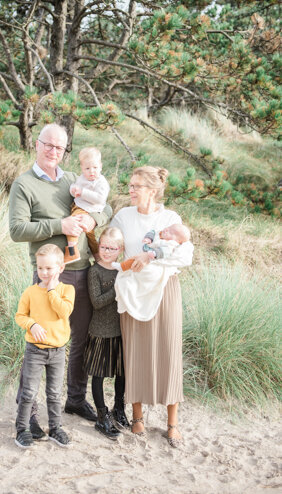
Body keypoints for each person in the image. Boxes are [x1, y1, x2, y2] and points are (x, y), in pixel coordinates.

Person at [9, 123, 112, 437]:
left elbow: (106, 207)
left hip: (82, 271)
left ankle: (76, 399)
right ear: (37, 145)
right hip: (48, 277)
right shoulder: (23, 184)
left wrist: (94, 219)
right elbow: (17, 230)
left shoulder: (72, 180)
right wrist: (60, 223)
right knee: (41, 344)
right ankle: (30, 414)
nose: (54, 152)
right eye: (48, 145)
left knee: (79, 339)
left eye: (60, 147)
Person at [109, 166, 193, 447]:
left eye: (136, 186)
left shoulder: (170, 218)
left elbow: (184, 255)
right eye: (130, 185)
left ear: (152, 190)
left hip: (165, 290)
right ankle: (137, 417)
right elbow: (111, 246)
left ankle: (172, 423)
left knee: (169, 352)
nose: (130, 190)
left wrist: (149, 257)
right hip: (133, 291)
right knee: (135, 352)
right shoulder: (123, 216)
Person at [14, 244, 75, 448]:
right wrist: (32, 324)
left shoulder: (67, 290)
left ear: (60, 268)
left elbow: (63, 312)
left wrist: (51, 291)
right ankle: (22, 429)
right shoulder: (31, 292)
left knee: (55, 392)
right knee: (29, 392)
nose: (44, 272)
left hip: (57, 351)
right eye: (40, 268)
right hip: (35, 350)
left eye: (49, 268)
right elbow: (20, 316)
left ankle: (55, 428)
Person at [83, 227, 129, 440]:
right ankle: (102, 415)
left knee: (122, 373)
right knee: (99, 375)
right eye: (103, 247)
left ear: (120, 250)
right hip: (101, 330)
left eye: (112, 248)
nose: (107, 251)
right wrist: (117, 288)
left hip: (121, 330)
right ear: (98, 246)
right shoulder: (95, 271)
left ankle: (118, 409)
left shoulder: (123, 270)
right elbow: (97, 302)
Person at [65, 147, 110, 264]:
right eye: (87, 168)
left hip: (87, 209)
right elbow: (75, 186)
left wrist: (83, 192)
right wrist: (73, 190)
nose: (91, 171)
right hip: (80, 206)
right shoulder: (82, 178)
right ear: (82, 168)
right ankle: (98, 257)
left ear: (100, 166)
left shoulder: (101, 182)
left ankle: (71, 251)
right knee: (90, 236)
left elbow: (100, 199)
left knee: (73, 224)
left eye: (95, 167)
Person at [113, 223, 191, 271]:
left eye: (171, 232)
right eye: (169, 228)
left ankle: (122, 267)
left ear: (177, 241)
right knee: (134, 259)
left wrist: (154, 254)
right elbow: (152, 233)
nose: (167, 230)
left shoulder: (170, 245)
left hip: (152, 257)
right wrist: (148, 238)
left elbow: (165, 252)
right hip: (146, 250)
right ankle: (122, 266)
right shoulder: (159, 233)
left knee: (135, 261)